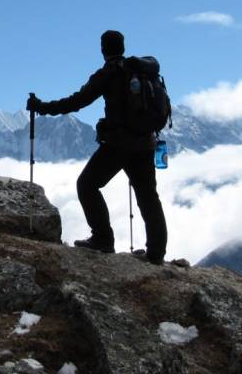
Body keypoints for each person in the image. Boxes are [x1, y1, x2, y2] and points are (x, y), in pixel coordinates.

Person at [26, 30, 168, 264]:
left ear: (103, 49)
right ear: (123, 47)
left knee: (87, 185)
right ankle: (156, 253)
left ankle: (103, 239)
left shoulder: (109, 73)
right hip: (145, 143)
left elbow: (77, 101)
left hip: (118, 145)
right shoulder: (141, 73)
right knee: (149, 198)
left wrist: (41, 107)